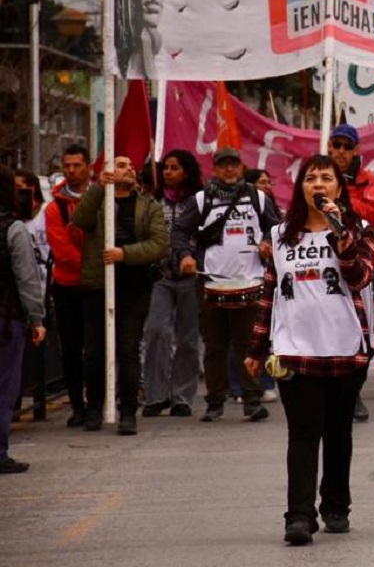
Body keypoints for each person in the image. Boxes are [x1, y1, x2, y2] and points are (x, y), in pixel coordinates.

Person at [246, 154, 374, 545]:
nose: (318, 184)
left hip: (345, 348)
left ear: (339, 187)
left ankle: (336, 505)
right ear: (301, 187)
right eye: (310, 178)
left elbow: (360, 276)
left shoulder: (361, 229)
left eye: (326, 178)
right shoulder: (281, 235)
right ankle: (299, 516)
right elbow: (269, 293)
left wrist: (341, 233)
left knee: (338, 430)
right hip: (294, 349)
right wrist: (256, 346)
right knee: (303, 431)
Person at [171, 146, 279, 424]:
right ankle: (215, 401)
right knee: (215, 345)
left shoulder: (258, 197)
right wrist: (184, 255)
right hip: (210, 282)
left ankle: (252, 401)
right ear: (215, 169)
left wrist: (268, 241)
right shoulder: (201, 199)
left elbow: (277, 227)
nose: (229, 170)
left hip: (250, 281)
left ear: (241, 167)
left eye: (234, 164)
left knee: (248, 344)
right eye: (224, 165)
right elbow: (180, 230)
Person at [72, 155, 169, 434]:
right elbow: (80, 219)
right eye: (121, 164)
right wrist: (99, 188)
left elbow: (159, 243)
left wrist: (125, 254)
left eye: (131, 165)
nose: (129, 168)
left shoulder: (148, 205)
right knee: (94, 352)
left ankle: (128, 411)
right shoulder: (99, 199)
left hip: (133, 286)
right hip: (98, 285)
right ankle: (95, 408)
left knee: (127, 349)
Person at [143, 150, 204, 418]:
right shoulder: (152, 200)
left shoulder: (199, 201)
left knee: (188, 338)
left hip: (191, 277)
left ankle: (182, 396)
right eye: (165, 167)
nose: (168, 172)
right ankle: (155, 395)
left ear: (187, 171)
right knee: (157, 331)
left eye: (175, 167)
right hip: (161, 277)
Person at [326, 122, 374, 422]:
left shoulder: (365, 178)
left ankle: (354, 391)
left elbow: (368, 214)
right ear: (329, 146)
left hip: (358, 261)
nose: (341, 151)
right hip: (324, 260)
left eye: (348, 147)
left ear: (356, 150)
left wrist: (342, 189)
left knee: (360, 329)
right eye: (337, 145)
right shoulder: (318, 175)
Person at [0, 166, 48, 473]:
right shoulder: (13, 228)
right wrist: (37, 319)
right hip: (6, 320)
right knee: (4, 386)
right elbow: (27, 278)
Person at [44, 144, 91, 427]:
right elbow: (61, 250)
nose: (72, 170)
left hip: (97, 285)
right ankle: (77, 405)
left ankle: (99, 400)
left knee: (97, 346)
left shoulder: (102, 198)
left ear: (88, 167)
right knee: (72, 348)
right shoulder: (56, 207)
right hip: (68, 285)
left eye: (77, 165)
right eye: (67, 165)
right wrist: (93, 263)